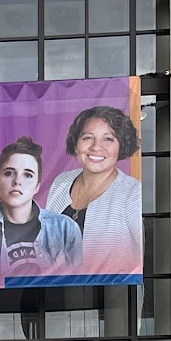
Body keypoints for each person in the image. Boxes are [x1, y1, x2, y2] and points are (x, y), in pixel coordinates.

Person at [43, 105, 143, 274]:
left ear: (122, 147)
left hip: (111, 295)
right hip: (55, 291)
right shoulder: (61, 182)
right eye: (88, 137)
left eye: (108, 139)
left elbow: (144, 257)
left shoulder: (132, 193)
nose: (96, 147)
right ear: (76, 144)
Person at [0, 138, 84, 280]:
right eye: (9, 173)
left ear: (37, 186)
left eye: (28, 175)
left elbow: (77, 284)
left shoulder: (66, 228)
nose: (17, 181)